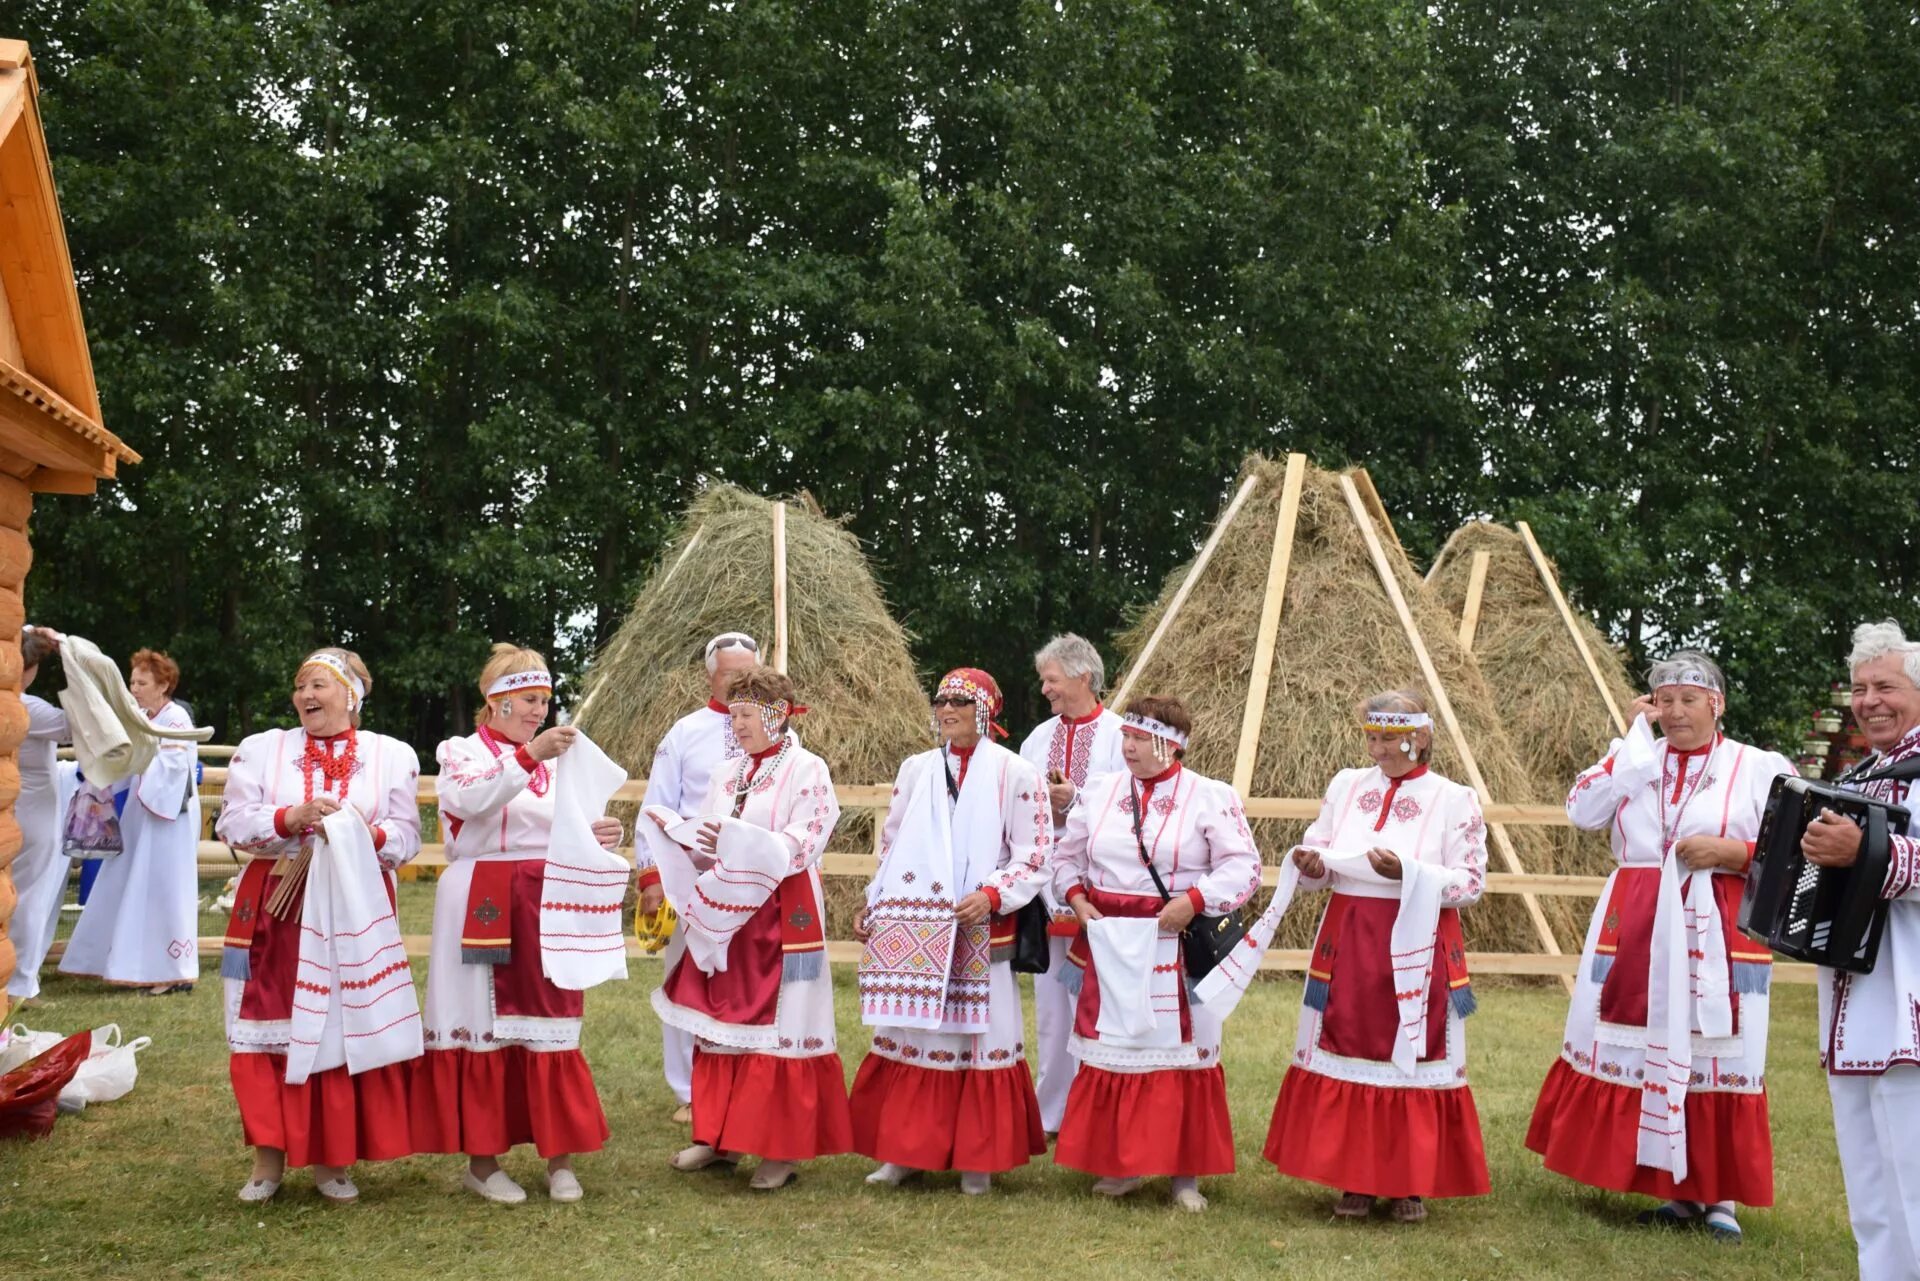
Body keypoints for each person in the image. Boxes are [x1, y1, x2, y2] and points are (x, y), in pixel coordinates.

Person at [1527, 652, 1792, 1242]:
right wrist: (1633, 743)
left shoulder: (1756, 766)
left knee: (1713, 1046)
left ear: (1716, 704)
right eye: (1664, 700)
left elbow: (1796, 844)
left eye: (1688, 700)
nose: (1675, 711)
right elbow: (1581, 812)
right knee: (1642, 1043)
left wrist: (1734, 854)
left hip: (1716, 917)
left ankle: (1718, 1196)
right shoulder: (1636, 760)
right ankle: (1674, 1190)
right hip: (1637, 917)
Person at [412, 645, 636, 1204]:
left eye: (545, 700)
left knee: (551, 1017)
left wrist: (597, 833)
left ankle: (559, 1158)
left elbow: (576, 822)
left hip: (547, 893)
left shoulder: (560, 760)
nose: (540, 710)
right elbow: (469, 802)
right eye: (530, 700)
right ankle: (482, 1163)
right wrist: (529, 757)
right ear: (497, 701)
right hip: (481, 891)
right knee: (479, 1022)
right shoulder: (462, 751)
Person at [1264, 691, 1491, 1223]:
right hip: (1350, 932)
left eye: (1390, 737)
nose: (1379, 748)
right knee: (1349, 1039)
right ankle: (1354, 1178)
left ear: (1420, 737)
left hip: (1418, 937)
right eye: (1371, 736)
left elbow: (1471, 883)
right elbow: (1323, 862)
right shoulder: (1346, 786)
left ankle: (1408, 1181)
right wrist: (1310, 863)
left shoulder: (1455, 798)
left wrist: (1407, 874)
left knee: (1410, 1046)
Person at [215, 648, 423, 1203]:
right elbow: (231, 822)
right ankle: (267, 1163)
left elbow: (406, 837)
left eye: (320, 686)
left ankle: (332, 1161)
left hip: (352, 906)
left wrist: (361, 833)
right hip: (276, 905)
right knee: (266, 1027)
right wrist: (292, 817)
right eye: (301, 686)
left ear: (351, 696)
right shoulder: (263, 750)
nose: (306, 695)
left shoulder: (390, 754)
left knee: (339, 1025)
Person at [1050, 696, 1259, 1211]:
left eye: (1140, 740)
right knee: (1119, 1049)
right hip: (1110, 938)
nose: (1129, 748)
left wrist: (1192, 902)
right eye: (1126, 738)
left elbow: (1243, 867)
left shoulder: (1211, 797)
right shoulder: (1100, 792)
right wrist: (1076, 899)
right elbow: (1065, 856)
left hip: (1178, 937)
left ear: (1172, 745)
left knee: (1185, 1050)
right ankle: (1122, 1164)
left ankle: (1183, 1175)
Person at [849, 667, 1051, 1194]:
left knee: (981, 1038)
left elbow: (1035, 854)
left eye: (959, 703)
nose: (946, 711)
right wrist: (875, 902)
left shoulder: (1016, 773)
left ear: (985, 711)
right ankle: (903, 1153)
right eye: (941, 702)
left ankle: (976, 1163)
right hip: (918, 924)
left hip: (980, 928)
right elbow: (891, 845)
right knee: (910, 1034)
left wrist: (991, 895)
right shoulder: (916, 769)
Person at [653, 664, 850, 1190]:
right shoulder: (727, 772)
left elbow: (806, 837)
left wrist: (744, 849)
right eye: (734, 714)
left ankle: (779, 1148)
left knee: (781, 1023)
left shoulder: (808, 769)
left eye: (747, 714)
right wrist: (684, 841)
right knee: (722, 1014)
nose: (737, 724)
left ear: (777, 716)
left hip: (782, 907)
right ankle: (717, 1136)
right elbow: (711, 831)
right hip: (728, 909)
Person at [1805, 621, 1920, 1278]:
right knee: (1873, 1197)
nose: (1869, 699)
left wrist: (1869, 854)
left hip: (1911, 1008)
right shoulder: (1861, 775)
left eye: (1886, 686)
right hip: (1851, 1010)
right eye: (1859, 688)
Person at [645, 631, 760, 1123]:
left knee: (749, 979)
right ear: (710, 675)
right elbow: (655, 806)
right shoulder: (685, 733)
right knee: (686, 978)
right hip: (691, 878)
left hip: (754, 880)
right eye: (732, 674)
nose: (741, 682)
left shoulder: (780, 736)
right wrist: (650, 875)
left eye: (749, 672)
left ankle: (748, 1078)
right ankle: (689, 1090)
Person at [1015, 633, 1125, 1137]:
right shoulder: (1037, 739)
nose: (1045, 689)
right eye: (1044, 680)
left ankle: (1097, 1105)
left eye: (1052, 679)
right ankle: (1052, 1110)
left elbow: (1131, 804)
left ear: (1084, 677)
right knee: (1051, 1005)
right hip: (1044, 886)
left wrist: (1076, 797)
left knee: (1101, 1000)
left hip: (1103, 886)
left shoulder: (1121, 736)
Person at [57, 649, 201, 996]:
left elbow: (175, 768)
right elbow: (125, 757)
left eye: (142, 682)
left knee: (165, 888)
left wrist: (139, 758)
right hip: (143, 812)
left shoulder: (176, 719)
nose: (134, 688)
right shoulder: (142, 715)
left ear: (163, 684)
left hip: (169, 817)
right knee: (126, 882)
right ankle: (118, 961)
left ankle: (172, 970)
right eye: (132, 681)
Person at [6, 627, 75, 1005]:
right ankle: (19, 983)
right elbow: (73, 725)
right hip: (34, 815)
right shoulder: (27, 706)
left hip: (15, 809)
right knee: (32, 896)